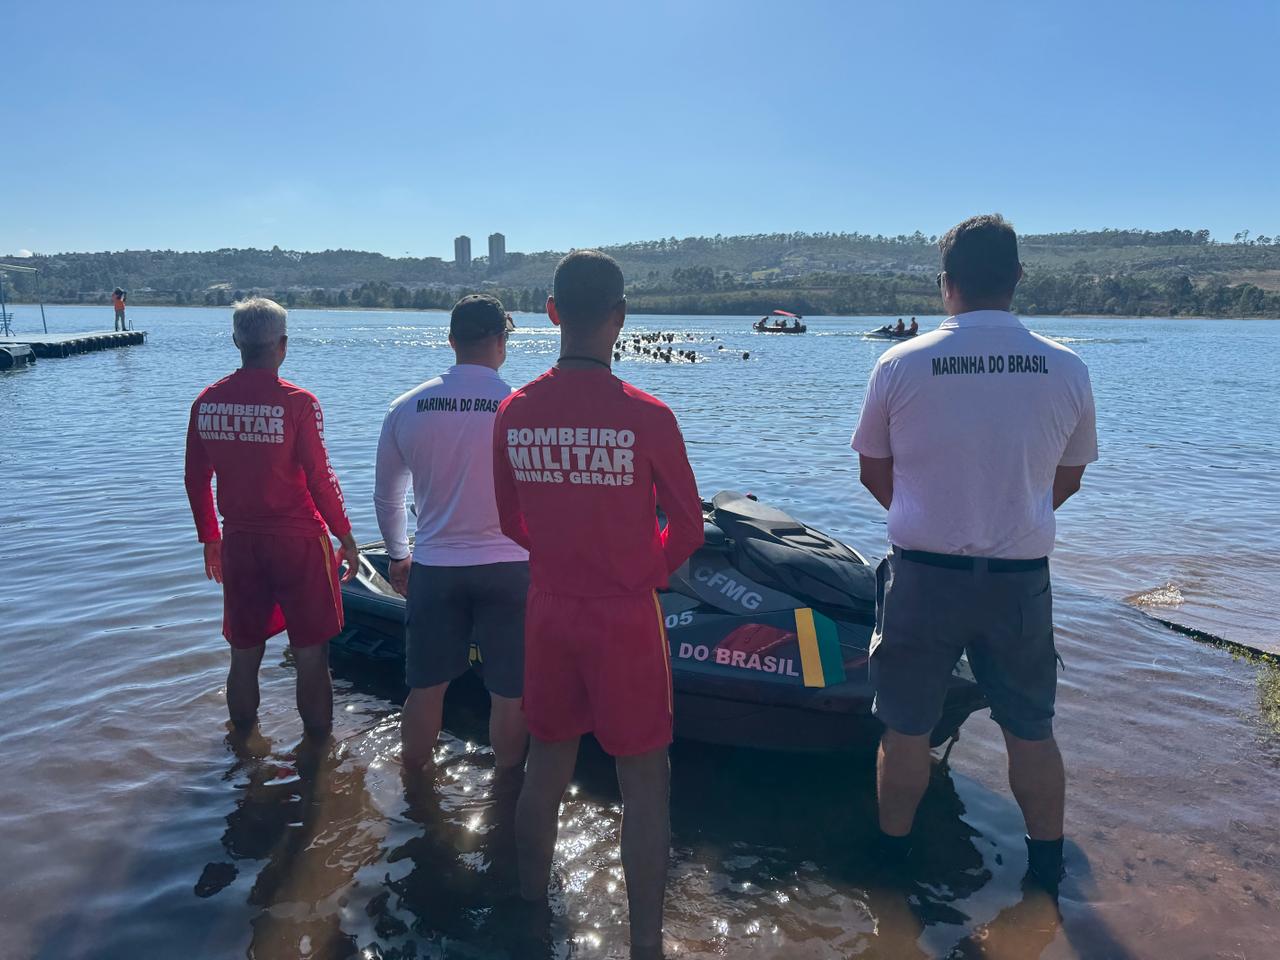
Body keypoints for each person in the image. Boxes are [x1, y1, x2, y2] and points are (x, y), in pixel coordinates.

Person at [850, 214, 1097, 895]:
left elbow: (874, 470)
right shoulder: (1067, 367)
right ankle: (1045, 873)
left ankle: (891, 867)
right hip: (1020, 580)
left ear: (944, 284)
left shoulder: (900, 363)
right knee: (1031, 730)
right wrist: (1011, 516)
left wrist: (927, 517)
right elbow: (1068, 478)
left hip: (924, 576)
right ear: (1018, 278)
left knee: (905, 731)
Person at [493, 250, 703, 958]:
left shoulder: (516, 411)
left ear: (552, 313)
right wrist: (642, 566)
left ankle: (527, 908)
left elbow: (509, 520)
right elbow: (690, 527)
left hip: (550, 609)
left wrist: (560, 555)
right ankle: (645, 944)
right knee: (644, 781)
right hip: (624, 614)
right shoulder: (648, 415)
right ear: (620, 318)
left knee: (544, 765)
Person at [184, 297, 359, 736]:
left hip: (240, 542)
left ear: (236, 342)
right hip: (299, 543)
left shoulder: (207, 402)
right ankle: (319, 756)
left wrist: (210, 537)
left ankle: (243, 749)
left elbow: (195, 478)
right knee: (311, 655)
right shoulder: (299, 404)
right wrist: (347, 537)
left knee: (244, 654)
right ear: (282, 344)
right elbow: (321, 479)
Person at [373, 294, 530, 772]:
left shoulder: (407, 406)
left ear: (451, 341)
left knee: (426, 689)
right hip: (510, 568)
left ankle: (415, 792)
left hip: (437, 566)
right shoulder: (522, 409)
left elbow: (387, 496)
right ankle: (507, 796)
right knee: (511, 692)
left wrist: (399, 556)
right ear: (501, 343)